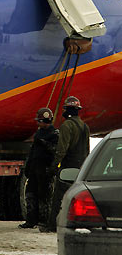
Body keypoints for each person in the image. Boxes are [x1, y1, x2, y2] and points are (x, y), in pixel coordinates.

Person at [47, 96, 90, 231]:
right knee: (77, 197)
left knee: (59, 197)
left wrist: (54, 166)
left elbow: (62, 149)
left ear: (67, 110)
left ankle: (53, 226)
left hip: (68, 167)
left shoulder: (67, 125)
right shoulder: (85, 126)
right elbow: (87, 149)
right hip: (81, 166)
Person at [18, 107, 58, 230]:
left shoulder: (54, 134)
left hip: (45, 169)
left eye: (39, 121)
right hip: (35, 168)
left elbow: (56, 151)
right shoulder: (39, 133)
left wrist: (46, 144)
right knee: (30, 194)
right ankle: (31, 220)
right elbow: (33, 151)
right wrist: (28, 167)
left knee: (44, 196)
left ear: (45, 121)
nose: (37, 123)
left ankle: (44, 221)